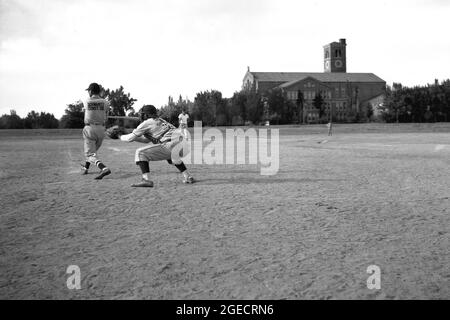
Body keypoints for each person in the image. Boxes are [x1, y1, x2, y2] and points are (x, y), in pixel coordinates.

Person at [118, 105, 194, 187]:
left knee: (140, 153)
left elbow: (129, 138)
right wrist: (135, 138)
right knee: (172, 157)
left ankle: (146, 180)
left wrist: (119, 136)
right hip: (184, 145)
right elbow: (146, 140)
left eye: (142, 114)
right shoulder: (161, 120)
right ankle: (188, 176)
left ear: (147, 115)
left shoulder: (146, 123)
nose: (141, 115)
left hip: (172, 144)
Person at [80, 82, 111, 180]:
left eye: (88, 90)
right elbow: (106, 116)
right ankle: (86, 168)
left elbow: (87, 110)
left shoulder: (86, 101)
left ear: (90, 91)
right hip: (101, 130)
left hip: (90, 129)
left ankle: (103, 168)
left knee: (90, 154)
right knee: (92, 152)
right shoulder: (106, 102)